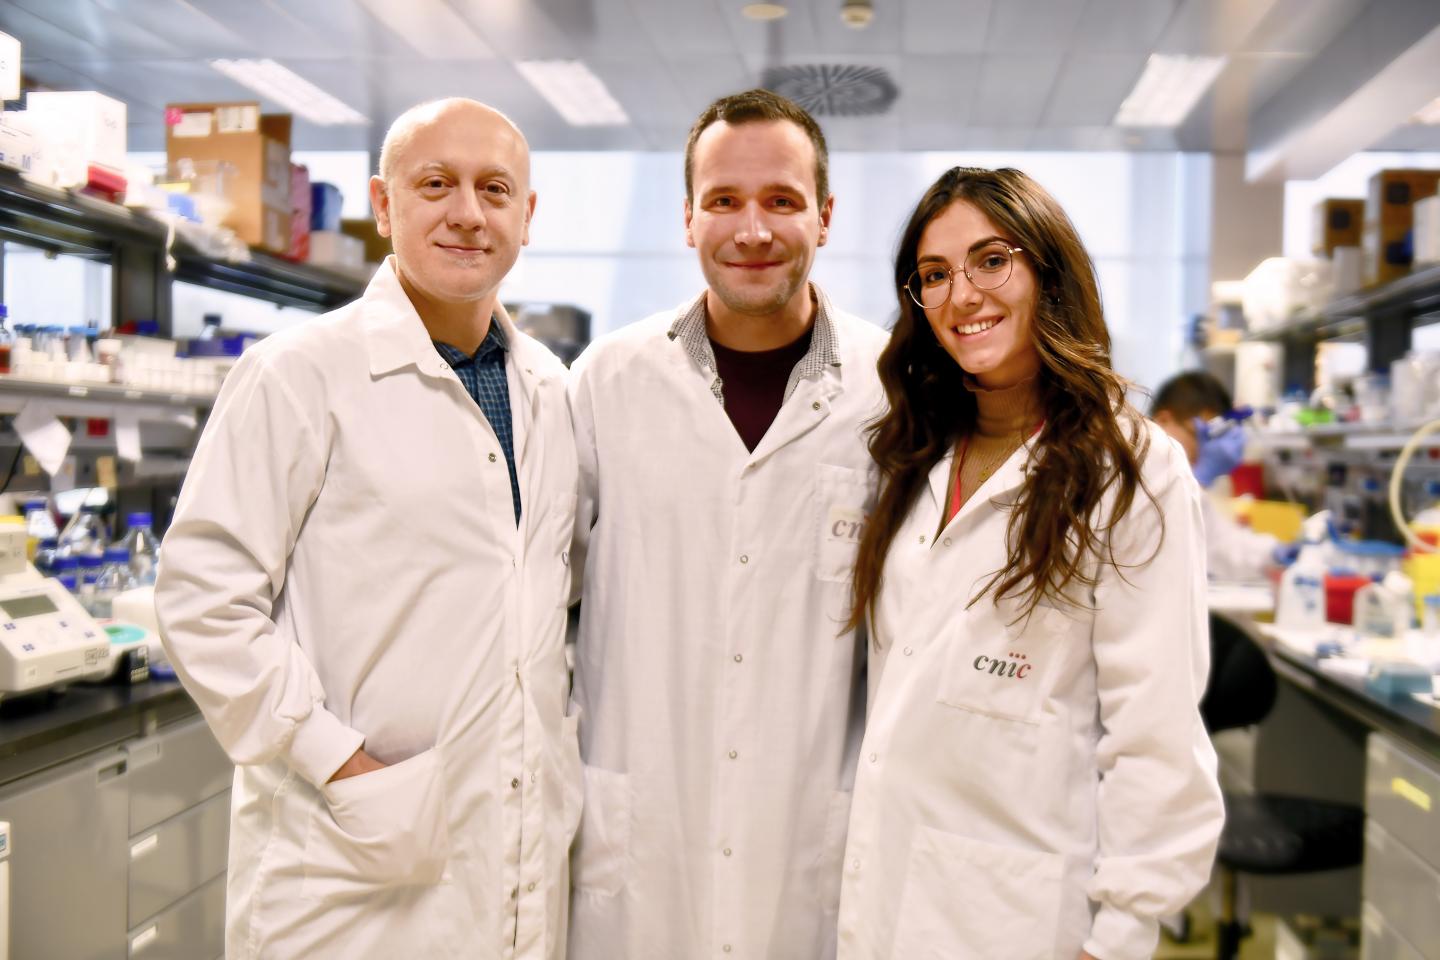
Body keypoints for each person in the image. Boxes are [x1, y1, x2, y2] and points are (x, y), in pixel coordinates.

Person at [155, 99, 582, 959]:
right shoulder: (298, 375)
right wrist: (335, 759)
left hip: (519, 853)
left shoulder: (550, 387)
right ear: (385, 206)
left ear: (526, 217)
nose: (467, 211)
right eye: (436, 185)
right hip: (346, 864)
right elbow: (203, 598)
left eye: (494, 188)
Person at [835, 167, 1223, 960]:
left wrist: (1119, 933)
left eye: (990, 260)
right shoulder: (916, 453)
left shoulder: (1132, 472)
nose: (962, 294)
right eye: (933, 276)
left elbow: (1155, 734)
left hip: (1027, 915)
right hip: (888, 888)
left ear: (1048, 269)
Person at [566, 89, 888, 959]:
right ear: (687, 218)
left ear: (824, 217)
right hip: (641, 840)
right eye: (724, 201)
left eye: (781, 201)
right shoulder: (606, 382)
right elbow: (541, 596)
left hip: (809, 837)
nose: (753, 229)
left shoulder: (890, 388)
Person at [1150, 370, 1287, 581]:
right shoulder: (1129, 472)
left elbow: (1219, 545)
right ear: (1163, 421)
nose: (1204, 450)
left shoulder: (1191, 484)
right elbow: (1150, 533)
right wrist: (1200, 479)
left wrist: (1274, 552)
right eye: (1199, 436)